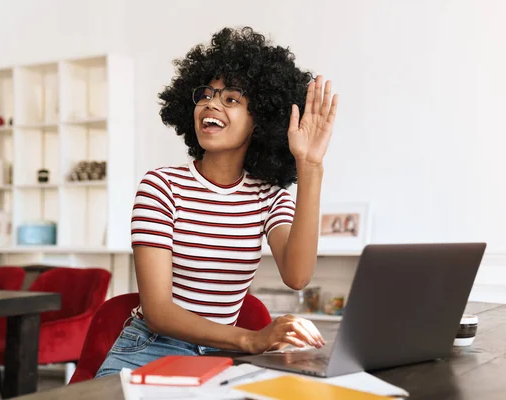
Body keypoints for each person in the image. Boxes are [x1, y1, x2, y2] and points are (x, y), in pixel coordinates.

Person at [95, 26, 338, 378]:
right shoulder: (162, 186)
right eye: (206, 94)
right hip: (150, 351)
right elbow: (159, 311)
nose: (211, 103)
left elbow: (297, 276)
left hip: (221, 358)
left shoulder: (267, 196)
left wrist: (310, 165)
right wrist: (251, 340)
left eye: (231, 99)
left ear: (260, 121)